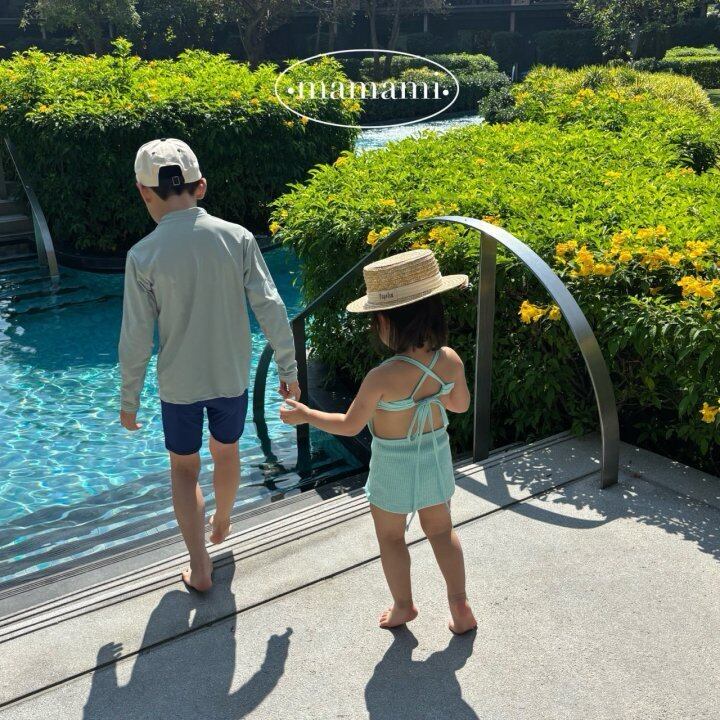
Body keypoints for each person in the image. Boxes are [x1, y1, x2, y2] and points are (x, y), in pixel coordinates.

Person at [119, 138, 299, 592]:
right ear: (200, 186)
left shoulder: (143, 255)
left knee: (184, 469)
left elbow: (136, 337)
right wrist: (288, 368)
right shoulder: (237, 238)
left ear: (143, 192)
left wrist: (129, 399)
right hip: (229, 378)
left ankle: (199, 565)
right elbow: (271, 307)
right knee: (227, 452)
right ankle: (223, 519)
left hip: (179, 385)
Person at [280, 249, 477, 634]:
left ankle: (404, 606)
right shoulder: (449, 360)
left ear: (385, 322)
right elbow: (460, 405)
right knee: (441, 531)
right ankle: (460, 605)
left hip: (392, 466)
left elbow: (349, 425)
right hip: (435, 458)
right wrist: (434, 395)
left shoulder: (382, 377)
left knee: (391, 537)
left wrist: (307, 415)